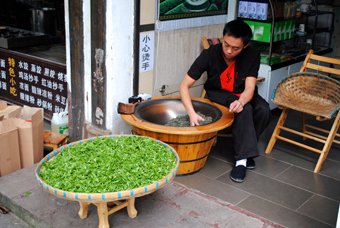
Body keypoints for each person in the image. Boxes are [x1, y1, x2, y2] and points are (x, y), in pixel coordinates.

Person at [179, 20, 271, 183]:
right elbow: (184, 86)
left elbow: (249, 88)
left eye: (235, 48)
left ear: (245, 46)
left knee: (263, 109)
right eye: (226, 44)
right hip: (219, 93)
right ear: (223, 37)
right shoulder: (210, 54)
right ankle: (242, 160)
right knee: (245, 110)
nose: (229, 51)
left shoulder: (252, 56)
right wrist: (192, 113)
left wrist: (242, 101)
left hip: (242, 93)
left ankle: (247, 150)